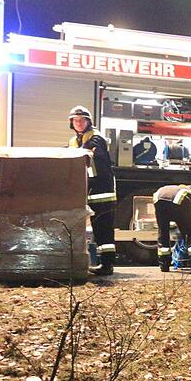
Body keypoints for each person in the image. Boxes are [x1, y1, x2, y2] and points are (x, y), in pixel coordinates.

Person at [66, 106, 116, 276]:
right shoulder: (75, 141)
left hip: (103, 191)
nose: (78, 123)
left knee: (104, 228)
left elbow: (91, 152)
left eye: (82, 120)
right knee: (97, 228)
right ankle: (103, 263)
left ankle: (107, 265)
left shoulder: (96, 138)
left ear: (88, 122)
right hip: (90, 190)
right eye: (75, 120)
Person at [152, 184, 191, 273]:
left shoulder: (179, 189)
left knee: (163, 234)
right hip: (178, 204)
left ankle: (164, 265)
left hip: (159, 200)